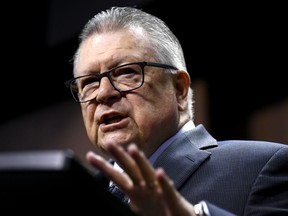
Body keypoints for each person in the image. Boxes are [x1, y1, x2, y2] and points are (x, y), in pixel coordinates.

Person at [64, 6, 288, 216]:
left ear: (179, 89)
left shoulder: (263, 168)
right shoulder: (69, 199)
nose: (103, 93)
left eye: (125, 72)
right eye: (90, 82)